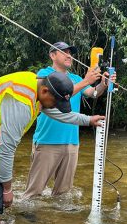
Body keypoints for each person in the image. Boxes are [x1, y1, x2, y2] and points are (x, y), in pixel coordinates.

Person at [0, 71, 104, 224]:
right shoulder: (21, 101)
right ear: (45, 92)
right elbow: (6, 149)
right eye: (56, 102)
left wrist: (87, 120)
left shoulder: (36, 85)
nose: (56, 106)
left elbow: (56, 112)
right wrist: (7, 189)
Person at [23, 42, 116, 198]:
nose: (69, 55)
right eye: (64, 52)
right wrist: (85, 81)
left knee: (63, 194)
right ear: (52, 55)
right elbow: (52, 96)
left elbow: (93, 93)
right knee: (33, 193)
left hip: (72, 142)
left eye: (70, 53)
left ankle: (60, 220)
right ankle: (28, 219)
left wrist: (102, 84)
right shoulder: (44, 75)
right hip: (47, 141)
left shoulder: (75, 78)